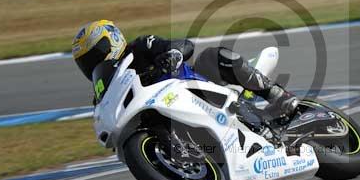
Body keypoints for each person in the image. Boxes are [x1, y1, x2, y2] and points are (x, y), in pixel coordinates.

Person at [72, 20, 299, 117]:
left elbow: (183, 44)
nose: (93, 63)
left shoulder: (140, 47)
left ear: (111, 39)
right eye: (86, 61)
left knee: (211, 56)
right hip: (170, 113)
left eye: (96, 53)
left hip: (199, 89)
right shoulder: (105, 92)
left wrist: (173, 54)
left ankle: (277, 95)